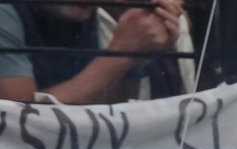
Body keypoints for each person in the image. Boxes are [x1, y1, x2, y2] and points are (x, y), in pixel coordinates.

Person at [0, 0, 183, 103]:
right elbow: (22, 120)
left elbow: (115, 107)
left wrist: (138, 54)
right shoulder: (6, 11)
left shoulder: (85, 13)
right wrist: (121, 53)